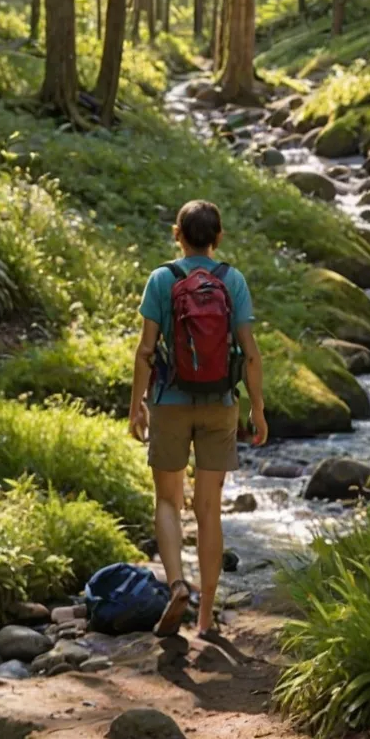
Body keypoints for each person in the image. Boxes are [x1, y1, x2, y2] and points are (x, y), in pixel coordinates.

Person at [128, 199, 267, 638]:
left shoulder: (161, 279)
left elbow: (146, 351)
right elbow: (249, 352)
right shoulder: (233, 280)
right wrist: (257, 408)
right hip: (220, 404)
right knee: (209, 510)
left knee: (168, 501)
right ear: (218, 237)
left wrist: (136, 405)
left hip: (169, 401)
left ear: (177, 234)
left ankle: (176, 586)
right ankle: (206, 617)